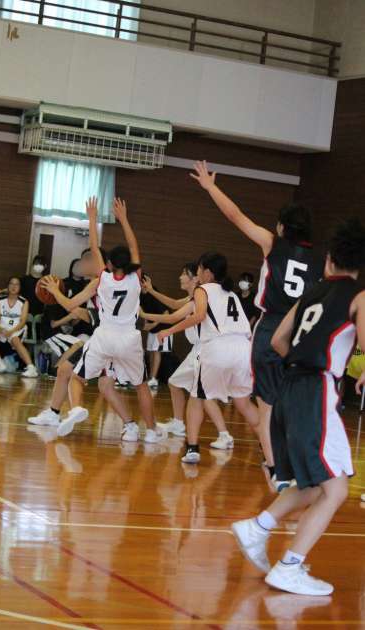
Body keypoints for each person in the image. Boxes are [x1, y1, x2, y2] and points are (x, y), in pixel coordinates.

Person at [232, 218, 365, 596]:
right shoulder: (359, 296)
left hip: (289, 388)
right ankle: (288, 566)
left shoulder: (311, 293)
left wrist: (304, 357)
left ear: (329, 259)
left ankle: (259, 528)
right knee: (335, 490)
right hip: (316, 390)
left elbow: (277, 340)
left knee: (317, 483)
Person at [191, 161, 323, 490]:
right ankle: (300, 466)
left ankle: (277, 471)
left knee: (267, 408)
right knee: (294, 405)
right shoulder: (321, 260)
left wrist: (211, 187)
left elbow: (235, 216)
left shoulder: (272, 243)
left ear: (282, 226)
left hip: (271, 329)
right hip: (302, 333)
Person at [41, 197, 164, 444]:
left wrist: (92, 218)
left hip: (104, 337)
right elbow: (134, 246)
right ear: (130, 264)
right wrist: (124, 218)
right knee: (141, 385)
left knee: (77, 377)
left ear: (108, 264)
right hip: (129, 339)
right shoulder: (135, 279)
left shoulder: (102, 279)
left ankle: (77, 408)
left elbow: (93, 247)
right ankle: (150, 431)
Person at [156, 252, 260, 464]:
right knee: (244, 403)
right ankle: (271, 447)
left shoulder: (202, 289)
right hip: (243, 349)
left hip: (218, 347)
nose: (197, 274)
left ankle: (192, 449)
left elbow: (199, 315)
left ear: (208, 273)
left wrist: (169, 331)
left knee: (197, 398)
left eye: (199, 270)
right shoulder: (232, 295)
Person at [27, 248, 108, 428]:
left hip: (109, 341)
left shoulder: (101, 283)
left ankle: (76, 410)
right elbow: (88, 314)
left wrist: (55, 292)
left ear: (96, 262)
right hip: (101, 338)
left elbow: (73, 306)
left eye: (84, 260)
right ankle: (54, 413)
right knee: (65, 370)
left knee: (110, 386)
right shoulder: (96, 283)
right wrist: (77, 311)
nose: (80, 264)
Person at [0, 277, 38, 378]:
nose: (14, 286)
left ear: (20, 287)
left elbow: (23, 321)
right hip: (2, 326)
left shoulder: (24, 301)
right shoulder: (0, 300)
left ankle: (31, 368)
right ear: (8, 286)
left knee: (15, 340)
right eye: (11, 283)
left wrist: (11, 332)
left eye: (17, 284)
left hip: (17, 328)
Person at [140, 279, 174, 390]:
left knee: (156, 351)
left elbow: (166, 314)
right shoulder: (140, 296)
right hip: (153, 329)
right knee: (151, 351)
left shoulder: (154, 294)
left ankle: (153, 380)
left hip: (163, 328)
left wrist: (153, 324)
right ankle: (151, 377)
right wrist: (148, 325)